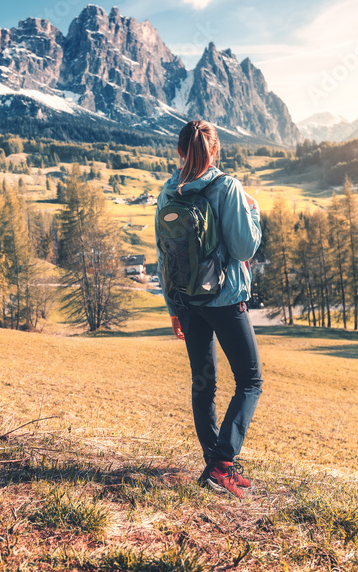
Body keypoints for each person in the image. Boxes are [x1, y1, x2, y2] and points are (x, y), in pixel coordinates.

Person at [155, 120, 263, 499]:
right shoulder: (228, 188)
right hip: (224, 300)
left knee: (205, 384)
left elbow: (163, 257)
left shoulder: (168, 192)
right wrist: (254, 212)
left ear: (180, 152)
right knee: (250, 382)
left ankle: (216, 462)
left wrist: (173, 308)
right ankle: (220, 465)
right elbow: (245, 250)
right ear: (215, 150)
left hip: (186, 301)